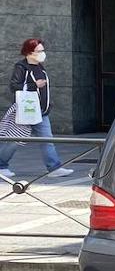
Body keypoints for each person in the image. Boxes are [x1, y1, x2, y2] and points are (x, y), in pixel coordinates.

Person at [0, 39, 74, 179]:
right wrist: (34, 85)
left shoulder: (40, 67)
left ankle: (54, 168)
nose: (42, 54)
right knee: (14, 140)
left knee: (47, 139)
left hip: (42, 112)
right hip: (26, 111)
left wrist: (48, 103)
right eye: (39, 51)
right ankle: (1, 165)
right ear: (29, 53)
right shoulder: (21, 67)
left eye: (42, 50)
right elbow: (14, 86)